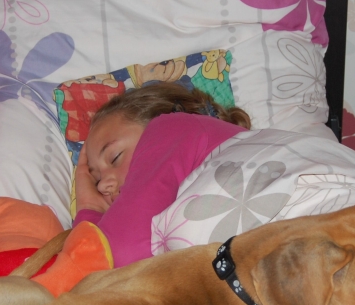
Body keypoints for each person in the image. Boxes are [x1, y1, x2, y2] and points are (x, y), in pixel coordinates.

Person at [74, 82, 252, 268]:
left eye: (115, 157)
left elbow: (115, 258)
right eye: (97, 181)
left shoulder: (171, 125)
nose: (102, 186)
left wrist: (90, 210)